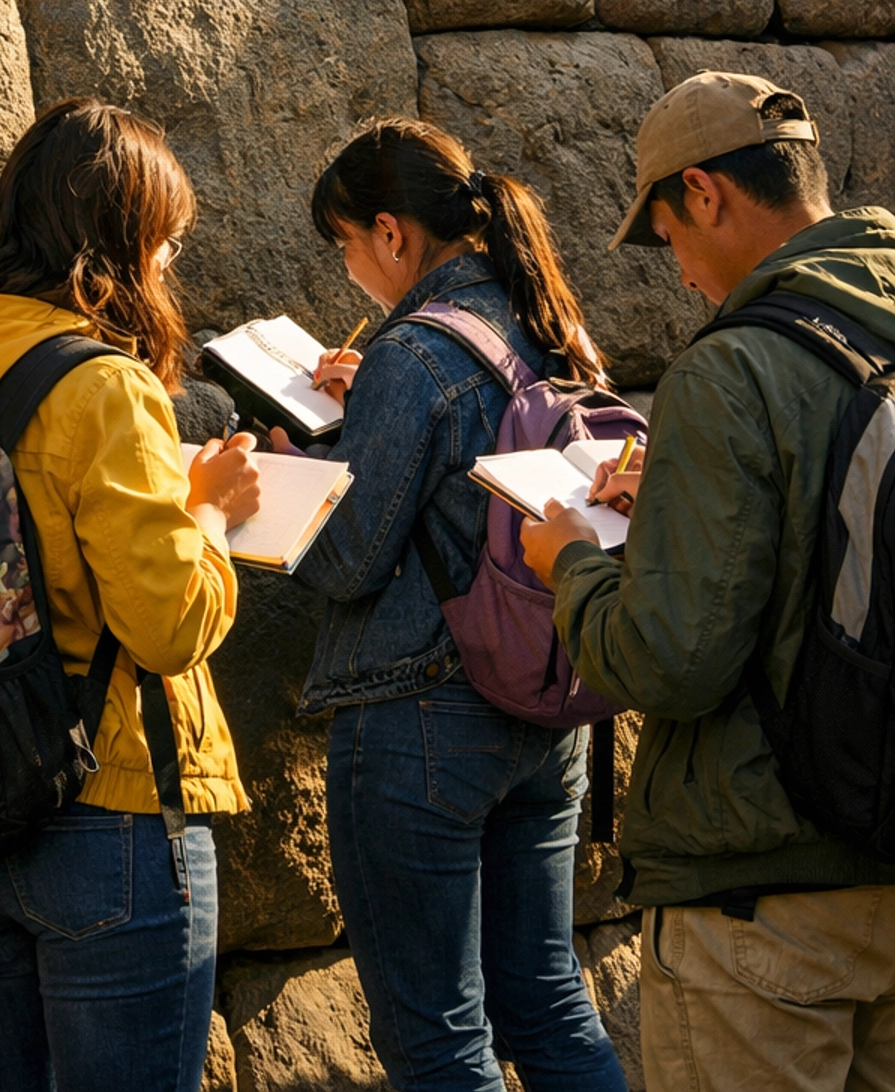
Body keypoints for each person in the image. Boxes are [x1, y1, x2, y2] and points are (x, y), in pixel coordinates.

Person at [523, 70, 895, 1091]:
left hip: (761, 904)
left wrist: (577, 569)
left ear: (704, 192)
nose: (680, 271)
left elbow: (671, 658)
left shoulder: (732, 369)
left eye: (667, 236)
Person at [0, 98, 260, 1092]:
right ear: (120, 241)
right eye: (167, 244)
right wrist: (213, 513)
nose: (169, 268)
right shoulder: (104, 386)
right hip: (107, 799)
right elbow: (168, 622)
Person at [287, 115, 627, 1092]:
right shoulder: (543, 325)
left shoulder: (417, 354)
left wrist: (289, 471)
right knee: (551, 1006)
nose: (351, 269)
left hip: (418, 718)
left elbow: (351, 558)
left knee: (437, 1038)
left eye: (347, 246)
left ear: (391, 233)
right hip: (545, 703)